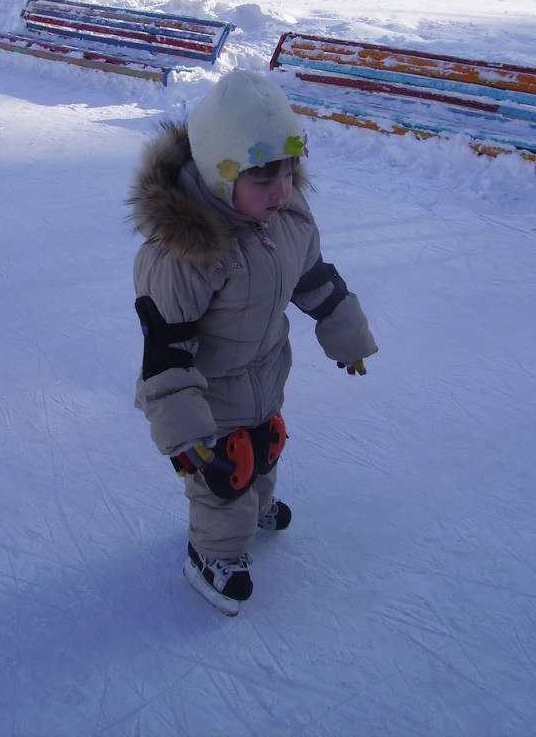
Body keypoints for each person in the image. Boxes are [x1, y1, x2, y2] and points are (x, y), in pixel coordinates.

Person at [128, 69, 377, 615]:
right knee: (224, 474)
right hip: (210, 393)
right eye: (263, 178)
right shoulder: (184, 255)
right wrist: (183, 431)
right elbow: (165, 352)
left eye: (289, 171)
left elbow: (313, 278)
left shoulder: (288, 218)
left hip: (265, 372)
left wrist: (346, 334)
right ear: (220, 175)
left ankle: (257, 506)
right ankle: (212, 553)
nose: (282, 190)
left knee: (263, 447)